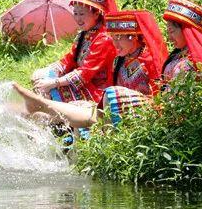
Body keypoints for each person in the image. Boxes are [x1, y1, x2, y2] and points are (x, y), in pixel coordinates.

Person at [13, 10, 167, 129]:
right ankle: (35, 113)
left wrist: (54, 83)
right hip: (110, 107)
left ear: (132, 37)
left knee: (112, 96)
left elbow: (159, 97)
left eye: (119, 38)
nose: (115, 43)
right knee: (81, 107)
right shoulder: (119, 59)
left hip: (138, 113)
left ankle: (41, 106)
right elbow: (68, 59)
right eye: (113, 38)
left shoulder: (149, 61)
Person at [30, 0, 118, 104]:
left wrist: (53, 83)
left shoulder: (104, 39)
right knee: (38, 75)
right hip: (80, 81)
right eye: (75, 13)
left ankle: (52, 116)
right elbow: (70, 58)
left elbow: (85, 72)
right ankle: (49, 113)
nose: (78, 18)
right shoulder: (85, 33)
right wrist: (50, 70)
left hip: (96, 90)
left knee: (50, 89)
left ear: (96, 14)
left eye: (82, 14)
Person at [161, 0, 202, 85]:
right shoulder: (177, 55)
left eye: (172, 32)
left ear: (185, 30)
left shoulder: (199, 59)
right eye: (168, 32)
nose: (169, 38)